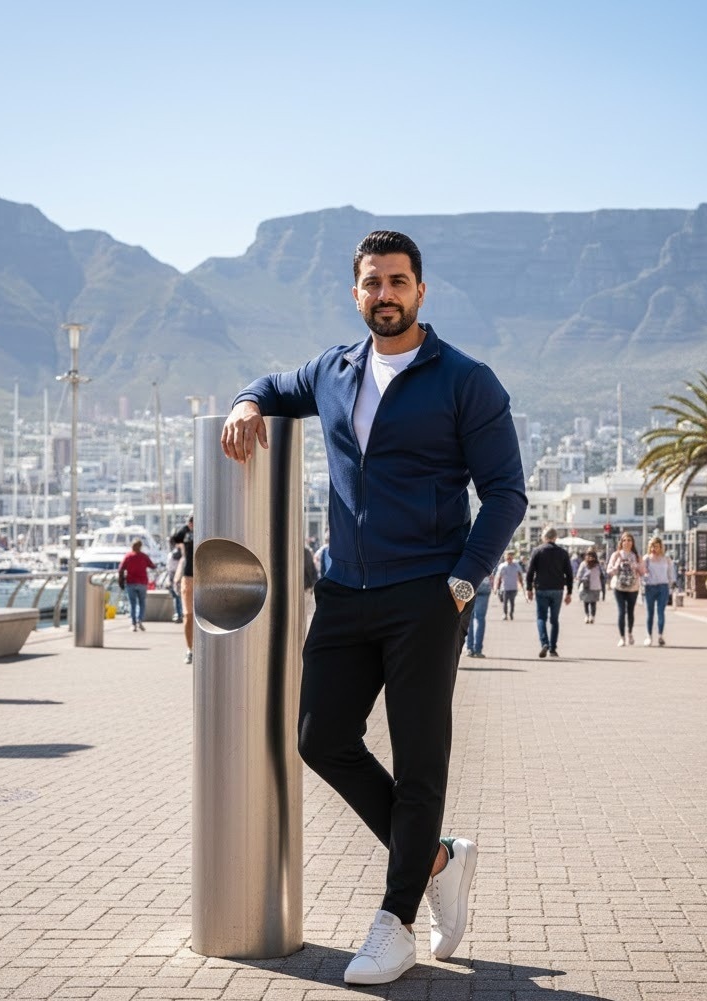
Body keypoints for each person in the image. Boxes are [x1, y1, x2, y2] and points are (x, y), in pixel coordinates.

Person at [220, 230, 526, 985]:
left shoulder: (466, 380)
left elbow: (505, 494)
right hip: (345, 591)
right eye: (371, 282)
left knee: (421, 760)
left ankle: (397, 922)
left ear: (420, 290)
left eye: (397, 281)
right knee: (320, 737)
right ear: (355, 292)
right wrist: (246, 401)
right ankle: (438, 858)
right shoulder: (333, 370)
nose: (384, 294)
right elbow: (272, 384)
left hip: (426, 594)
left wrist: (463, 582)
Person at [525, 526, 573, 658]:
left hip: (541, 588)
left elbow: (530, 572)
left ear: (544, 537)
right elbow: (569, 574)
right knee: (554, 620)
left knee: (541, 617)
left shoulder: (537, 551)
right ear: (555, 537)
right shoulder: (563, 553)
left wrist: (529, 589)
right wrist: (569, 592)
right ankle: (553, 649)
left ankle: (544, 643)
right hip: (558, 589)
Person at [606, 531, 643, 647]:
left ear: (632, 543)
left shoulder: (636, 556)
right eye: (624, 540)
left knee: (630, 611)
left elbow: (643, 571)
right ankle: (622, 637)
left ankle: (630, 633)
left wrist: (635, 566)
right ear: (621, 542)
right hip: (619, 586)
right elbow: (608, 570)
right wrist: (616, 567)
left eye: (629, 540)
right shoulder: (616, 555)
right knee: (621, 611)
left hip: (633, 587)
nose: (627, 542)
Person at [641, 537, 676, 646]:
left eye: (656, 546)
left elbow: (671, 573)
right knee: (650, 612)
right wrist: (643, 580)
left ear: (661, 547)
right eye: (652, 546)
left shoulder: (666, 559)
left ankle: (660, 635)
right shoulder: (646, 558)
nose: (654, 549)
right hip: (650, 587)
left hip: (663, 587)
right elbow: (642, 573)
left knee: (661, 612)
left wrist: (671, 586)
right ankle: (649, 636)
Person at [118, 538, 155, 632]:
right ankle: (140, 621)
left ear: (132, 546)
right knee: (142, 603)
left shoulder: (128, 556)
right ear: (140, 547)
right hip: (142, 582)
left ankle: (133, 624)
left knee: (132, 603)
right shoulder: (144, 556)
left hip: (131, 582)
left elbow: (121, 568)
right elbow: (152, 566)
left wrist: (121, 580)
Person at [172, 514, 195, 662]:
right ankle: (190, 649)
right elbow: (175, 538)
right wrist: (188, 527)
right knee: (188, 615)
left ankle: (202, 648)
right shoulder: (187, 535)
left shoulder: (209, 531)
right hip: (188, 577)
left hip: (206, 577)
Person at [492, 549, 525, 621]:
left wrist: (522, 584)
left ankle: (511, 613)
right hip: (505, 587)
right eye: (508, 556)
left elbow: (520, 575)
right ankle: (505, 614)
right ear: (505, 557)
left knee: (512, 602)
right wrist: (495, 588)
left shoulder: (516, 565)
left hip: (513, 587)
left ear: (512, 557)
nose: (509, 558)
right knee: (505, 602)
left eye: (510, 556)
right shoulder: (502, 566)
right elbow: (498, 577)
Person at [465, 573, 492, 657]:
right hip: (484, 585)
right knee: (480, 619)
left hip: (469, 584)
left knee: (469, 618)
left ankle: (469, 648)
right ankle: (478, 649)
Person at [575, 549, 605, 624]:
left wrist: (603, 588)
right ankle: (587, 616)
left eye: (592, 556)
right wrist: (581, 580)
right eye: (589, 555)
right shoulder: (583, 564)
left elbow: (602, 576)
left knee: (593, 603)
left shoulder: (598, 565)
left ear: (595, 557)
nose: (590, 557)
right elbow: (579, 574)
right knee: (586, 602)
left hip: (595, 586)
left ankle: (592, 617)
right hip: (586, 586)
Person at [166, 539, 184, 623]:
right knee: (183, 597)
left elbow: (169, 568)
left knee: (176, 597)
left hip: (173, 577)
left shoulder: (170, 555)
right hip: (183, 577)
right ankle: (184, 614)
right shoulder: (184, 556)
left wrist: (170, 580)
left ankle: (178, 614)